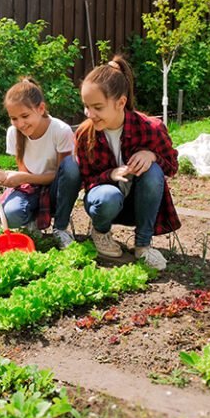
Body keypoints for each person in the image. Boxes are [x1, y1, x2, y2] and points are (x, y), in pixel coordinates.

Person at [75, 56, 180, 270]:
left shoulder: (150, 128)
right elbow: (86, 180)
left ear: (120, 102)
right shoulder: (85, 134)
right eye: (86, 106)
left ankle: (143, 246)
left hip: (138, 204)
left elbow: (171, 166)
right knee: (107, 196)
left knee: (153, 172)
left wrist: (152, 156)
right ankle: (101, 233)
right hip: (105, 203)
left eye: (97, 107)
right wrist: (110, 175)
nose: (90, 114)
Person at [0, 78, 81, 248]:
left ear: (41, 108)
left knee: (72, 167)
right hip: (32, 187)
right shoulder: (14, 133)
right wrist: (2, 176)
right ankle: (31, 222)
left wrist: (23, 178)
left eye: (25, 116)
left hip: (58, 189)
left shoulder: (60, 130)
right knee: (11, 214)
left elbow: (63, 175)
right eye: (14, 118)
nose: (20, 124)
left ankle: (60, 228)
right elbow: (24, 175)